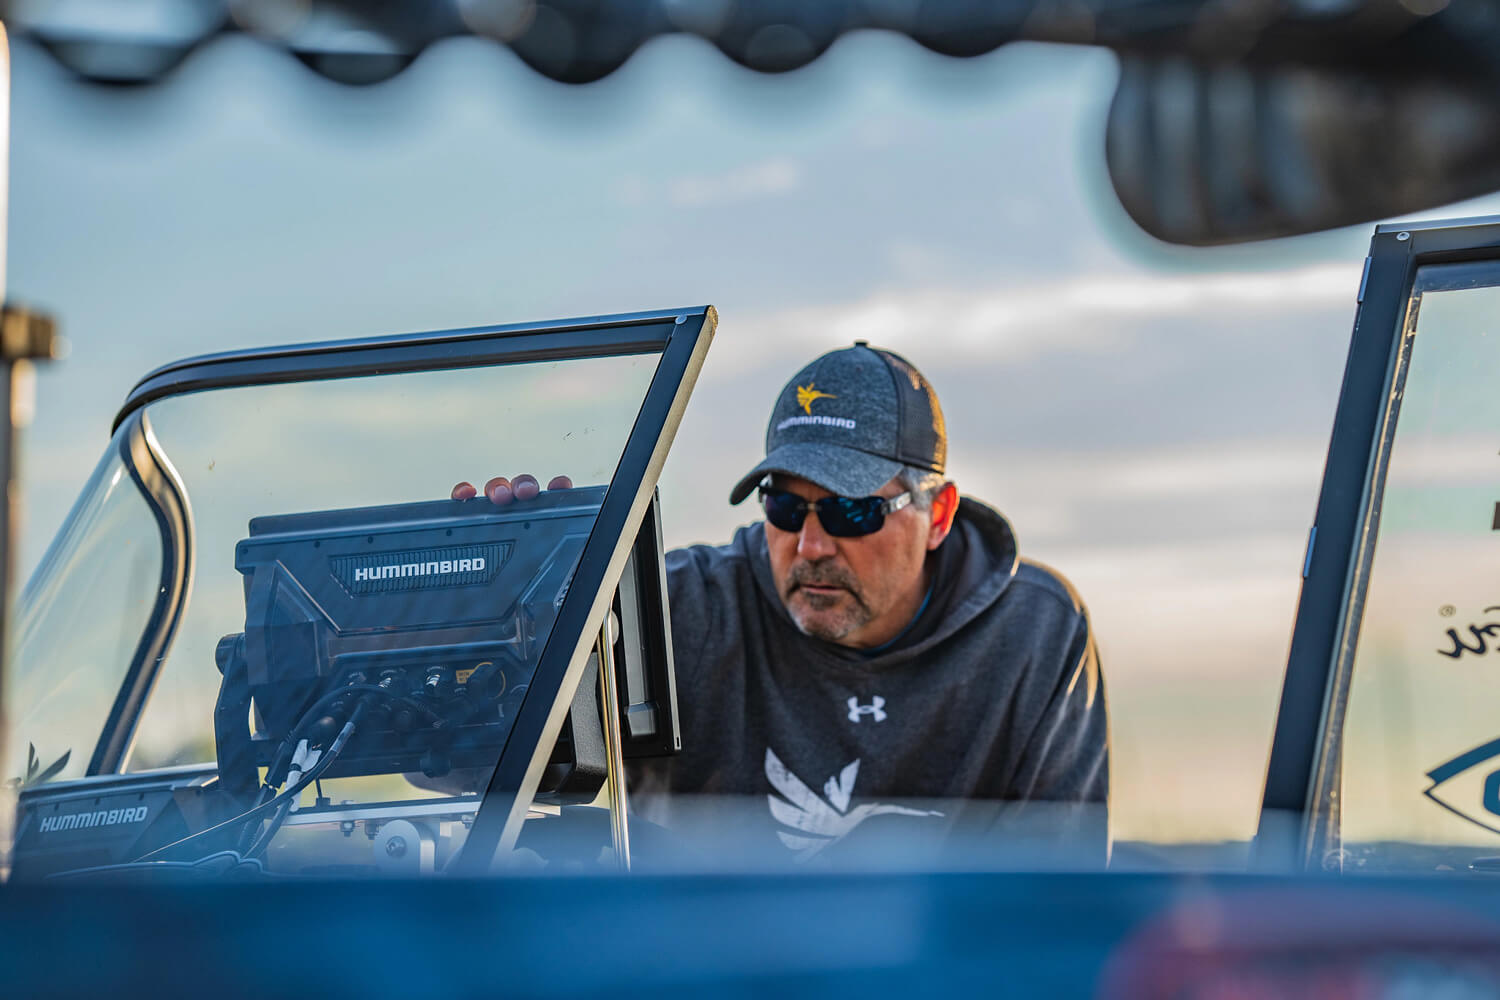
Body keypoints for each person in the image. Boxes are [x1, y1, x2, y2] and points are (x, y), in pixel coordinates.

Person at [454, 342, 1108, 865]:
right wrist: (493, 606)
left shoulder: (1035, 632)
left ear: (937, 515)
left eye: (852, 512)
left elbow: (1062, 904)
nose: (811, 546)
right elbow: (469, 761)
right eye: (786, 507)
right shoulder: (681, 609)